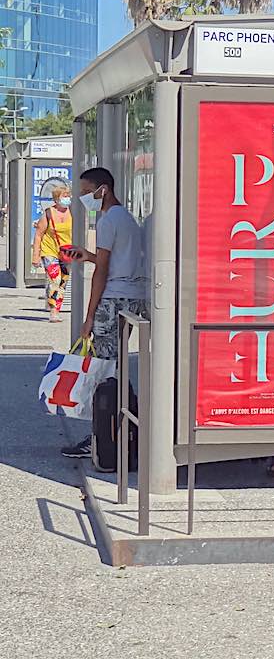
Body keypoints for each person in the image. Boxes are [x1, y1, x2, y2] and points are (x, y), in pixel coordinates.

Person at [60, 167, 148, 459]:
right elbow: (116, 260)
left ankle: (105, 433)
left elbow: (103, 271)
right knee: (116, 366)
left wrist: (88, 317)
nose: (84, 197)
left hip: (112, 300)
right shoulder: (129, 219)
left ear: (103, 190)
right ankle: (127, 425)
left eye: (87, 192)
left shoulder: (108, 221)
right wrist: (87, 255)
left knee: (104, 368)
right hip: (134, 296)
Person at [32, 183, 73, 323]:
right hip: (50, 250)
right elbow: (38, 234)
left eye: (68, 196)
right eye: (64, 196)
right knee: (54, 280)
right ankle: (53, 311)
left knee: (63, 282)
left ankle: (57, 308)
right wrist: (36, 256)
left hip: (67, 252)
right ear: (56, 198)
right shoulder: (49, 213)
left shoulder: (73, 212)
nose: (67, 198)